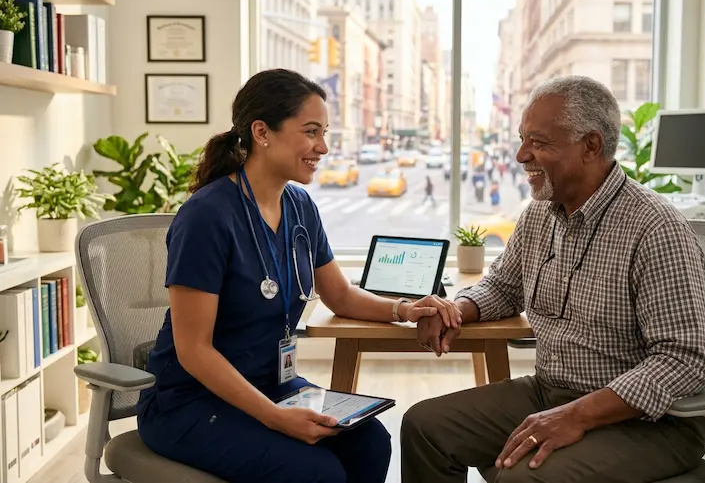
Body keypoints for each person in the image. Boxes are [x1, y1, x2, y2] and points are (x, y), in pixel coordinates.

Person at [136, 68, 462, 483]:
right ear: (262, 132)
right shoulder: (206, 217)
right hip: (190, 402)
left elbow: (340, 296)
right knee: (316, 473)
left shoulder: (299, 205)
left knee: (371, 442)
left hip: (273, 385)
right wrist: (274, 418)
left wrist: (405, 308)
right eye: (311, 132)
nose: (322, 147)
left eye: (324, 133)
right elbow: (193, 351)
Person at [400, 75, 705, 483]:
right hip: (551, 392)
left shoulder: (655, 227)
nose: (519, 155)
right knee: (425, 427)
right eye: (522, 139)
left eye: (539, 142)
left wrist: (578, 414)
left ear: (591, 146)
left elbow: (685, 361)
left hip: (649, 423)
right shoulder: (539, 215)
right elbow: (504, 287)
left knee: (519, 478)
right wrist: (456, 310)